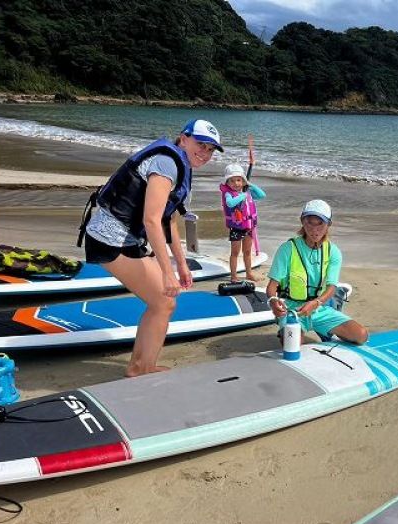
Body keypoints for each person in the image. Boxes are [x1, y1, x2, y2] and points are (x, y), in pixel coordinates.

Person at [79, 119, 223, 377]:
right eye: (201, 145)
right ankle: (141, 368)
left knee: (163, 302)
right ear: (184, 137)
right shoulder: (167, 163)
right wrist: (167, 272)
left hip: (127, 238)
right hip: (109, 238)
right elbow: (151, 219)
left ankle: (140, 365)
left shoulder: (182, 165)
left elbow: (170, 220)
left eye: (211, 150)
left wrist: (181, 264)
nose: (205, 153)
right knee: (164, 301)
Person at [266, 199, 368, 345]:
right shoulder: (287, 248)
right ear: (302, 222)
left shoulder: (333, 251)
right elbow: (272, 286)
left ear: (328, 225)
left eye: (320, 223)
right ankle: (286, 329)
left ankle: (332, 309)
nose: (315, 230)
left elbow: (331, 286)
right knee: (292, 346)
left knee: (361, 336)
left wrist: (316, 303)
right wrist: (273, 302)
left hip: (318, 306)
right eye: (309, 223)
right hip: (292, 310)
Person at [220, 139, 266, 281]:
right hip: (237, 227)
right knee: (235, 252)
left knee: (247, 251)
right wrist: (242, 196)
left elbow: (262, 195)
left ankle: (249, 273)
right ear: (227, 182)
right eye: (232, 181)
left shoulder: (247, 190)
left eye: (239, 180)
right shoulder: (229, 193)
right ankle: (233, 276)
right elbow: (230, 203)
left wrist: (250, 185)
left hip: (249, 226)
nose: (236, 183)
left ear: (243, 181)